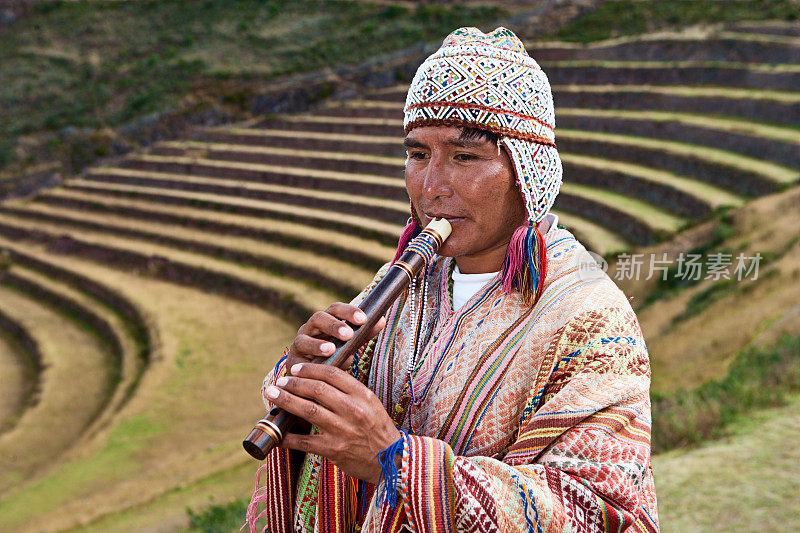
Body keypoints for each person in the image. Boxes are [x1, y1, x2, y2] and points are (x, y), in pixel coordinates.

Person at [246, 27, 659, 532]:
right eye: (418, 155)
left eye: (465, 157)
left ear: (527, 171)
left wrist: (395, 463)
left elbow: (597, 513)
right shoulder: (406, 284)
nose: (432, 186)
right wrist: (305, 378)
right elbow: (333, 429)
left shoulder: (592, 319)